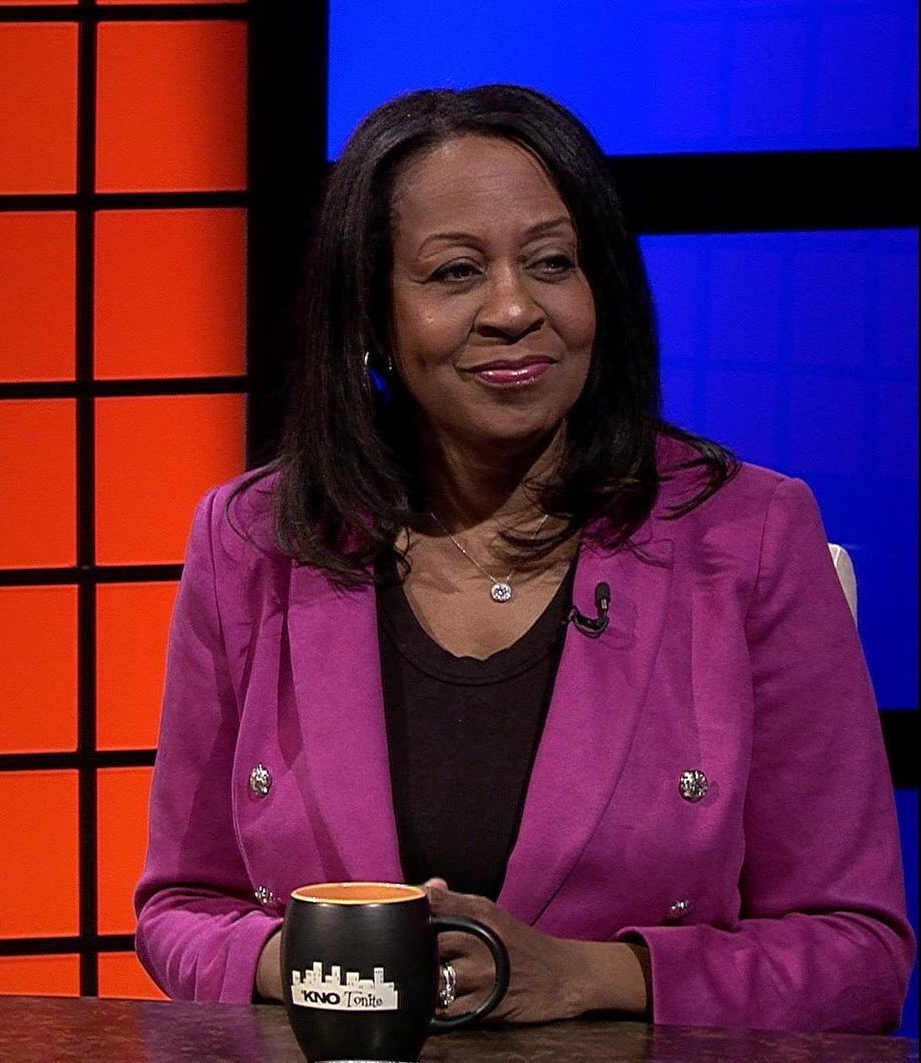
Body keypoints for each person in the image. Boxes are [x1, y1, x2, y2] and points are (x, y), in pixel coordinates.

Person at [133, 85, 913, 1032]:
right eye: (455, 272)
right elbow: (183, 906)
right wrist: (312, 961)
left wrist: (585, 976)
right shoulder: (256, 539)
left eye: (551, 263)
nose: (513, 308)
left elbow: (857, 952)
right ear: (371, 313)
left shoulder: (745, 535)